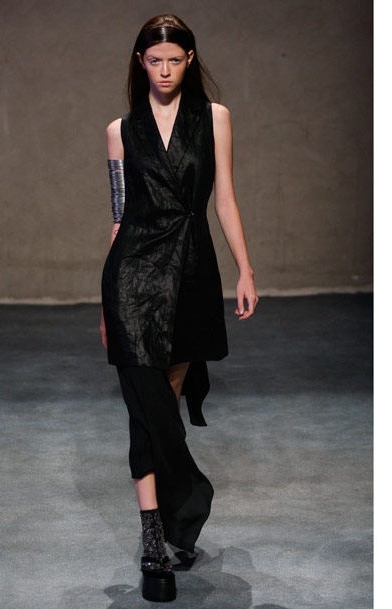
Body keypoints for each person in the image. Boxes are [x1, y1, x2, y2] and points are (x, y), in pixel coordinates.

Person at [100, 14, 258, 603]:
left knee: (162, 405)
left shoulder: (214, 118)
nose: (164, 70)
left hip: (190, 274)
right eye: (154, 60)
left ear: (189, 60)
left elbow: (225, 199)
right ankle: (154, 540)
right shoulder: (120, 131)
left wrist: (245, 269)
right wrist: (106, 303)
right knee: (144, 406)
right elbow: (119, 216)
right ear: (140, 62)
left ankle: (181, 510)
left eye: (174, 59)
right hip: (132, 277)